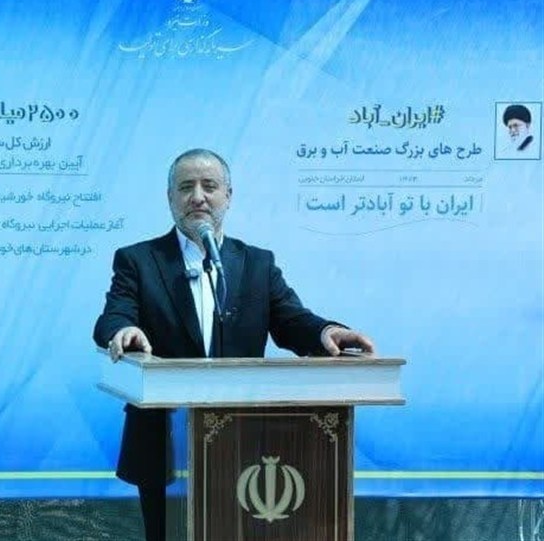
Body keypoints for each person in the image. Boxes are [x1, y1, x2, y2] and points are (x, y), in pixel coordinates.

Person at [92, 148, 375, 541]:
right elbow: (113, 316)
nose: (198, 197)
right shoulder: (138, 260)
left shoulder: (257, 263)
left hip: (247, 440)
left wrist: (325, 331)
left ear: (228, 195)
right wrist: (123, 330)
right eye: (186, 187)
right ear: (170, 197)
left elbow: (291, 320)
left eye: (209, 186)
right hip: (163, 442)